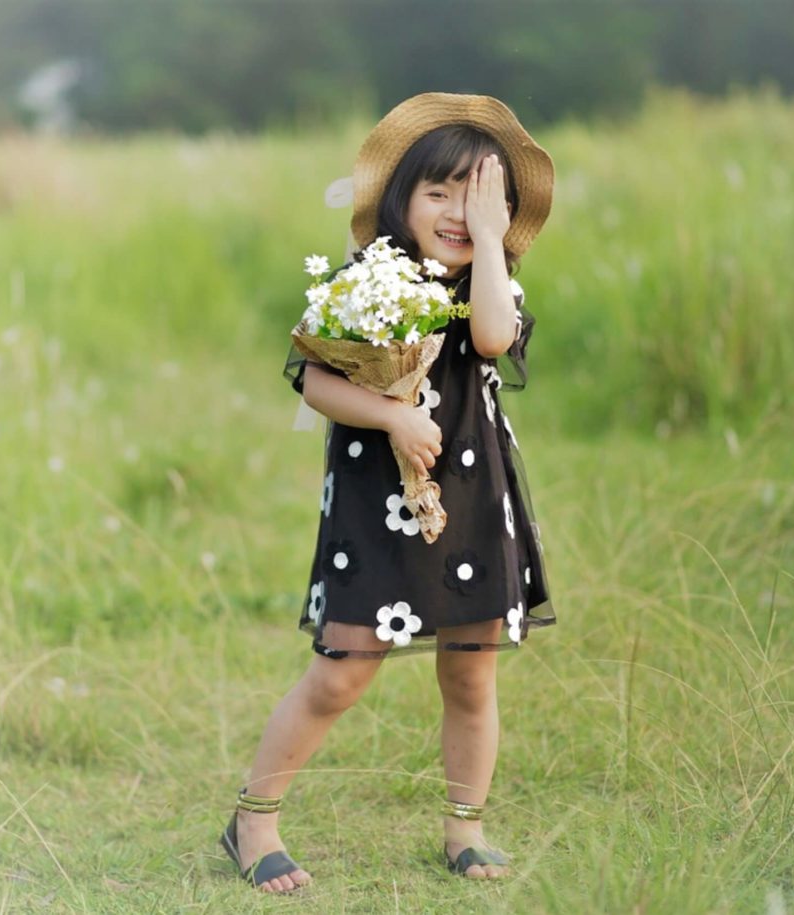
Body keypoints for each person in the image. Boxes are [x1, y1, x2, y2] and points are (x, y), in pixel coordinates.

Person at [220, 92, 556, 892]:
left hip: (473, 498)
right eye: (438, 191)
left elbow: (492, 339)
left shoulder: (489, 280)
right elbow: (317, 383)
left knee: (472, 674)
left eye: (479, 196)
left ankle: (464, 826)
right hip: (377, 502)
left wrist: (488, 241)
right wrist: (391, 418)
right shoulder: (369, 279)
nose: (455, 211)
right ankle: (253, 819)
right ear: (400, 197)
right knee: (342, 668)